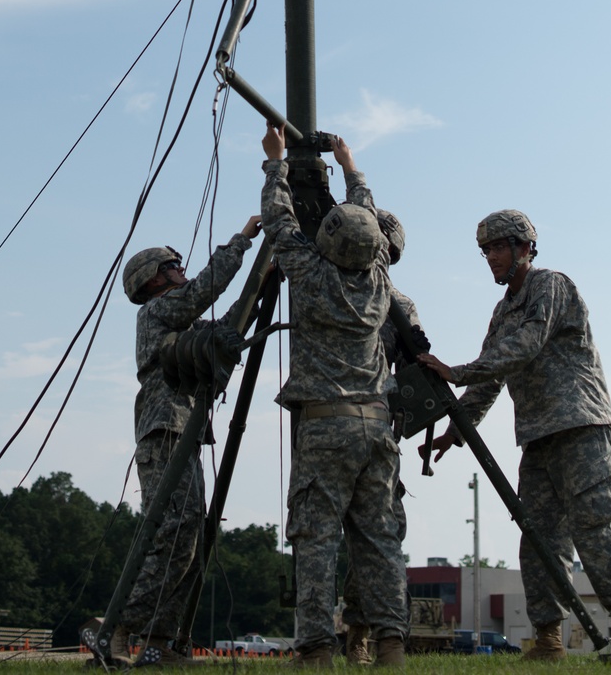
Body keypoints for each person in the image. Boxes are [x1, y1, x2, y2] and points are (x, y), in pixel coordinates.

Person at [418, 210, 611, 662]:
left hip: (581, 428)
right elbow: (489, 383)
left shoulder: (550, 285)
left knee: (594, 530)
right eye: (485, 250)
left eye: (499, 247)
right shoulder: (502, 310)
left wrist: (457, 371)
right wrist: (454, 432)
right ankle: (547, 640)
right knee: (538, 540)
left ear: (525, 247)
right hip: (537, 439)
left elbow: (525, 346)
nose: (491, 257)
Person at [260, 124, 408, 669]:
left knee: (317, 539)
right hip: (377, 425)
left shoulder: (311, 274)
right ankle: (391, 644)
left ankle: (317, 647)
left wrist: (275, 163)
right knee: (379, 539)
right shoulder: (378, 276)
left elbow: (279, 221)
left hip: (326, 425)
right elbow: (365, 221)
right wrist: (351, 169)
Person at [115, 218, 262, 667]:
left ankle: (159, 642)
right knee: (175, 531)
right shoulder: (158, 311)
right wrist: (243, 240)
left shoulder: (179, 317)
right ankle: (120, 625)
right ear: (156, 278)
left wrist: (262, 282)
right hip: (165, 432)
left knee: (188, 534)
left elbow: (227, 324)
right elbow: (205, 288)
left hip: (183, 432)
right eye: (173, 265)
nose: (181, 270)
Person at [342, 212, 430, 665]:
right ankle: (338, 635)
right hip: (332, 424)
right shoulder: (331, 287)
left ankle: (366, 633)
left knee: (382, 533)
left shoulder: (400, 305)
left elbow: (412, 371)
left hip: (379, 431)